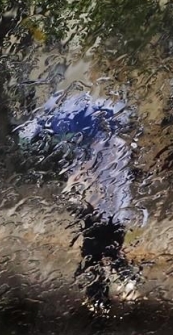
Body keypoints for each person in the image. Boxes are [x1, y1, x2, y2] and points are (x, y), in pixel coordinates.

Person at [18, 92, 143, 313]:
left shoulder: (92, 149)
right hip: (117, 212)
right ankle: (127, 284)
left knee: (93, 254)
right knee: (111, 251)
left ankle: (98, 301)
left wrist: (74, 185)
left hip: (98, 212)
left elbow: (83, 179)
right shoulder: (119, 145)